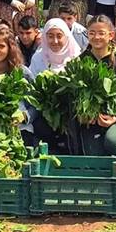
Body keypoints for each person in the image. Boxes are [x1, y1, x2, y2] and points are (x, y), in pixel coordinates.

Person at [68, 15, 116, 155]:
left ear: (111, 35)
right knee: (92, 155)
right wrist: (82, 113)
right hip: (90, 123)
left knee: (115, 142)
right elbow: (73, 96)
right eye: (92, 33)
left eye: (101, 33)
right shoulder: (81, 61)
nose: (96, 37)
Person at [29, 18, 81, 149]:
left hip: (70, 111)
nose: (55, 41)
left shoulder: (75, 56)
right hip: (45, 111)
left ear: (67, 36)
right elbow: (31, 86)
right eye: (50, 36)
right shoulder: (38, 58)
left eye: (59, 36)